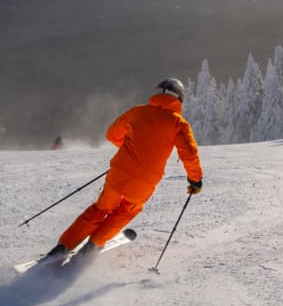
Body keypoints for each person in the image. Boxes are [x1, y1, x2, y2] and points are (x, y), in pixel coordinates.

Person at [45, 78, 203, 258]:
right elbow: (189, 154)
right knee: (127, 211)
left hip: (119, 172)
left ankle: (64, 246)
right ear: (179, 99)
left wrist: (130, 150)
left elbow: (112, 134)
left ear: (157, 92)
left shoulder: (137, 112)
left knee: (100, 209)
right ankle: (94, 244)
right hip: (145, 182)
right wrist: (195, 180)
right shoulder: (179, 124)